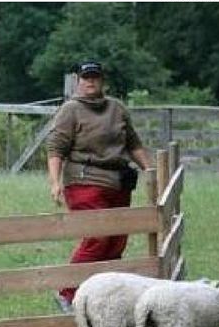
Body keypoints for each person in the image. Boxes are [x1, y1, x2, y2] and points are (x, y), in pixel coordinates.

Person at [46, 60, 153, 312]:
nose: (90, 81)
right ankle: (66, 292)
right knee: (97, 237)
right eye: (85, 77)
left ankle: (101, 295)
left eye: (95, 77)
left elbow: (133, 143)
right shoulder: (70, 110)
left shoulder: (117, 108)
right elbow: (56, 147)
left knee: (116, 241)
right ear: (78, 81)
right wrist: (55, 181)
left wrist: (150, 170)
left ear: (102, 80)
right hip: (85, 181)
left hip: (118, 183)